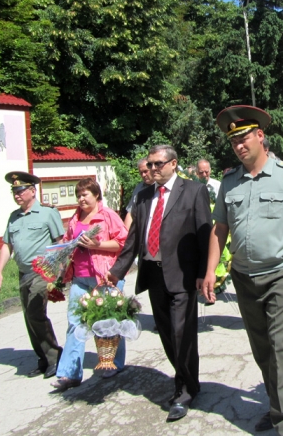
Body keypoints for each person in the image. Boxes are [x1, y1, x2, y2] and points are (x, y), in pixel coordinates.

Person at [202, 105, 283, 436]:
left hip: (281, 273)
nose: (239, 146)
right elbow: (219, 229)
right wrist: (209, 271)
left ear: (260, 136)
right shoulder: (230, 182)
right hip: (244, 278)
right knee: (262, 348)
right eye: (233, 142)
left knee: (282, 347)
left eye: (244, 138)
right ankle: (278, 408)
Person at [108, 145, 211, 423]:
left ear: (173, 164)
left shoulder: (193, 191)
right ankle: (188, 379)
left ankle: (185, 389)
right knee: (167, 334)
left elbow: (205, 235)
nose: (151, 169)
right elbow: (133, 240)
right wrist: (116, 272)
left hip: (183, 275)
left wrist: (205, 272)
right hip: (154, 275)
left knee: (181, 334)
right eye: (149, 165)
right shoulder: (142, 197)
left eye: (156, 164)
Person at [51, 179, 128, 391]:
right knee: (75, 322)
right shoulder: (76, 217)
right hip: (80, 277)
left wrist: (98, 244)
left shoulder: (108, 216)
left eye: (86, 194)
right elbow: (68, 241)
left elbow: (123, 243)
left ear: (96, 196)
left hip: (104, 276)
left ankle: (113, 362)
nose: (81, 199)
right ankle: (69, 373)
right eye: (79, 195)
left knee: (109, 321)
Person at [0, 171, 65, 379]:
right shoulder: (14, 217)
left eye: (20, 190)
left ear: (33, 191)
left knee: (35, 313)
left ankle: (54, 357)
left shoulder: (47, 213)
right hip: (23, 273)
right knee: (29, 317)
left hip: (42, 271)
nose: (16, 194)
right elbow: (7, 245)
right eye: (14, 191)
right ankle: (43, 358)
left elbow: (59, 242)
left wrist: (58, 272)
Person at [124, 158, 153, 229]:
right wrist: (125, 235)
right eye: (141, 172)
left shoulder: (162, 187)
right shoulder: (139, 187)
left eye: (146, 171)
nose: (143, 175)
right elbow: (130, 213)